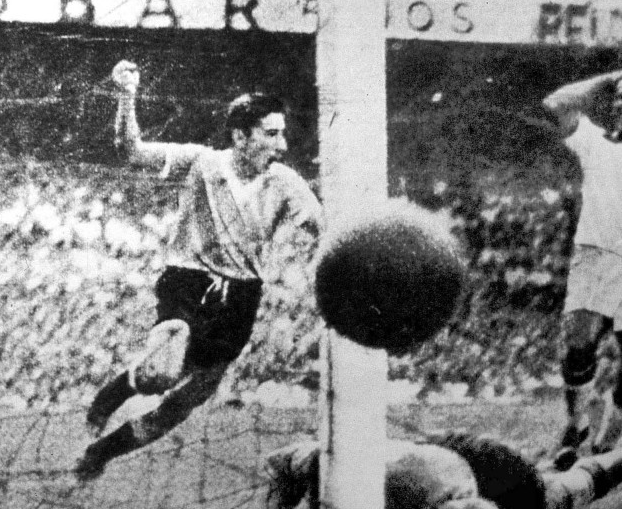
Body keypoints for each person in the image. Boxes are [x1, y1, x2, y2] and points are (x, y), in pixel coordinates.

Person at [74, 60, 322, 481]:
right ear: (241, 136)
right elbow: (131, 151)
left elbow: (319, 223)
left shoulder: (284, 181)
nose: (281, 145)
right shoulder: (202, 163)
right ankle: (111, 397)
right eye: (271, 134)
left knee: (182, 403)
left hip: (242, 297)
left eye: (283, 133)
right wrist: (127, 95)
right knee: (160, 374)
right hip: (189, 282)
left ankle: (101, 452)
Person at [543, 69, 622, 461]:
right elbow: (557, 103)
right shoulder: (597, 143)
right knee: (577, 342)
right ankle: (576, 426)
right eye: (619, 98)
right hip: (598, 251)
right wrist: (611, 78)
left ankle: (611, 434)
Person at [262, 430, 622, 509]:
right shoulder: (323, 465)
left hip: (496, 472)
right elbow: (279, 463)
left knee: (558, 497)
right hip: (441, 457)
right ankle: (552, 467)